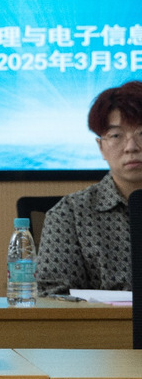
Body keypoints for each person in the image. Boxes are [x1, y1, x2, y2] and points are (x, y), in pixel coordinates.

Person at [37, 81, 142, 296]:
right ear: (101, 147)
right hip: (102, 320)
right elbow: (53, 297)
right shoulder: (70, 214)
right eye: (116, 135)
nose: (131, 147)